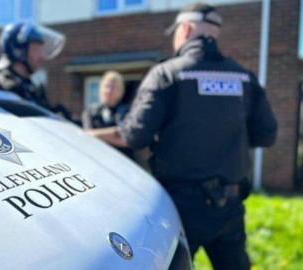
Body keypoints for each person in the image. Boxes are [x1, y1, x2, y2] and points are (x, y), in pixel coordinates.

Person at [87, 3, 277, 269]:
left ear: (185, 29)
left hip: (182, 206)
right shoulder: (244, 78)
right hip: (230, 205)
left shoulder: (167, 74)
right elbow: (267, 135)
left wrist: (84, 134)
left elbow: (133, 136)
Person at [0, 22, 67, 112]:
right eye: (35, 49)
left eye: (41, 49)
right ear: (18, 51)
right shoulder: (6, 88)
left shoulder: (28, 86)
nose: (41, 56)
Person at [82, 71, 133, 158]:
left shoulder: (127, 111)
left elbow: (128, 137)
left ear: (120, 91)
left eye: (113, 87)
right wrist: (115, 133)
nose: (109, 91)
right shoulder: (90, 111)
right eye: (107, 86)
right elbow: (88, 137)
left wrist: (96, 134)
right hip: (99, 160)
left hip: (124, 161)